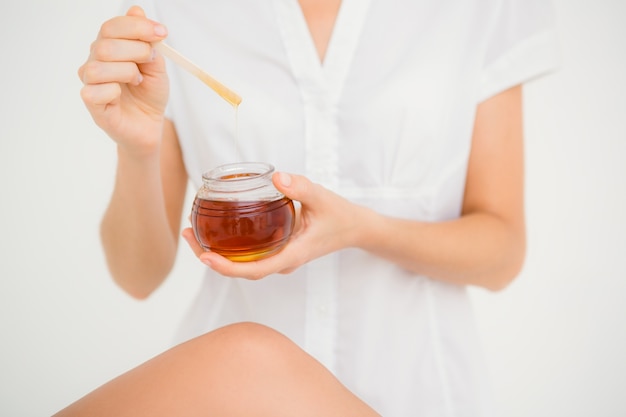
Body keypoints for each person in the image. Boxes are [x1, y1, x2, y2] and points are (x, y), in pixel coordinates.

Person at [65, 0, 559, 415]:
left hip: (418, 392)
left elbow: (502, 253)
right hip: (230, 396)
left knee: (252, 351)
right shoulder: (177, 16)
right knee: (248, 352)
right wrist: (137, 148)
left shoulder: (482, 9)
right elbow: (138, 276)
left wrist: (361, 229)